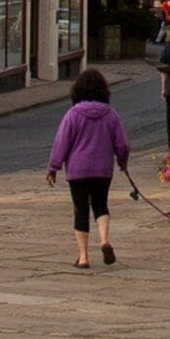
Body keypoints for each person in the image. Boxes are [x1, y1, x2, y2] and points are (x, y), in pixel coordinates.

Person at [47, 67, 131, 269]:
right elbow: (123, 145)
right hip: (102, 170)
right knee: (101, 205)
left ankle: (83, 257)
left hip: (78, 171)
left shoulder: (72, 115)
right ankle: (104, 240)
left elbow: (61, 143)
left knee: (81, 210)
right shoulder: (110, 115)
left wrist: (53, 167)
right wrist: (122, 161)